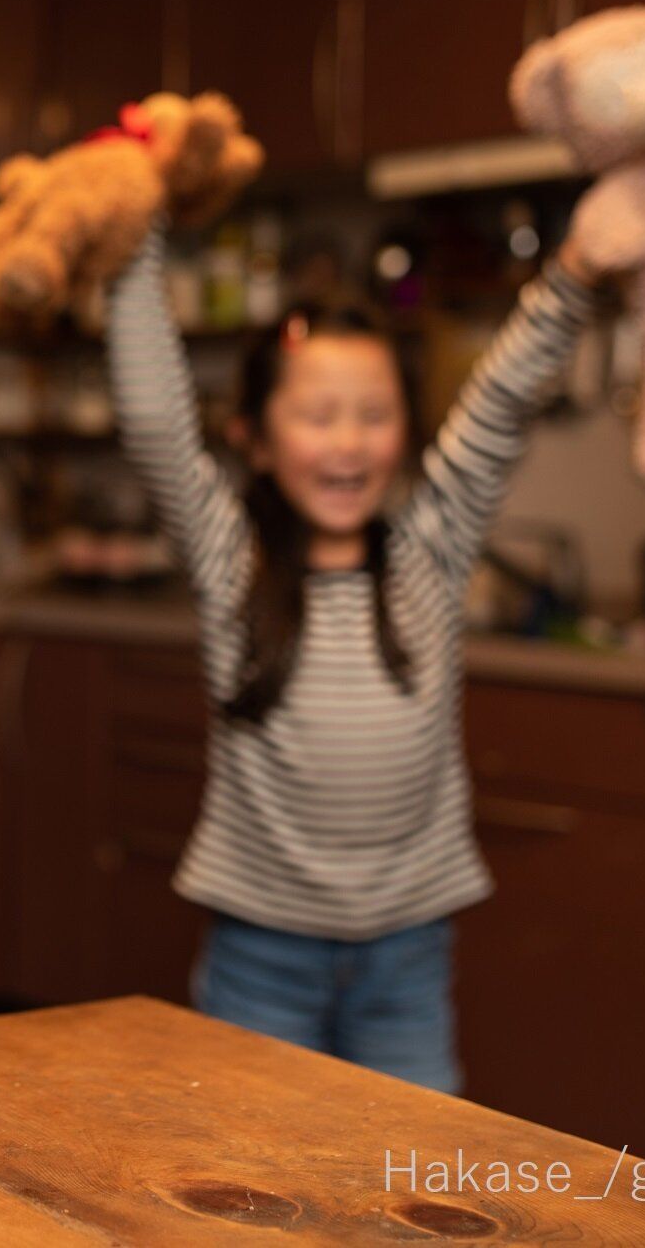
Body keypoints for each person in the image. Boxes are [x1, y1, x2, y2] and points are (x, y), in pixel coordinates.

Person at [105, 217, 600, 1092]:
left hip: (408, 955)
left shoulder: (431, 552)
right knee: (249, 1184)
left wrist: (571, 278)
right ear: (254, 435)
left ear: (405, 431)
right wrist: (133, 234)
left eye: (373, 415)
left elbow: (500, 402)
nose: (347, 442)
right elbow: (155, 423)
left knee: (408, 1191)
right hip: (260, 951)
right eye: (317, 415)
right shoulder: (231, 560)